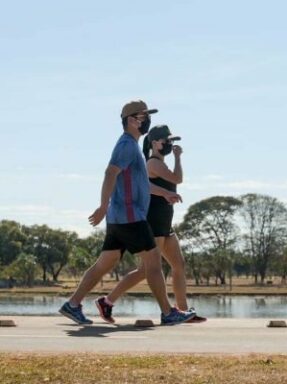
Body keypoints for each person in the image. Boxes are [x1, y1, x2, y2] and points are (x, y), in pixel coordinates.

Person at [59, 100, 195, 326]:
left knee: (104, 263)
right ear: (132, 120)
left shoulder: (132, 147)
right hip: (130, 216)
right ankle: (168, 312)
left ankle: (72, 304)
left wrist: (163, 193)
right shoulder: (127, 146)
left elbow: (140, 183)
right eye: (144, 117)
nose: (147, 121)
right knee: (153, 262)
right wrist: (102, 206)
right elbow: (110, 173)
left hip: (119, 217)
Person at [95, 125, 206, 323]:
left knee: (178, 265)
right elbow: (177, 179)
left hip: (165, 222)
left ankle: (183, 310)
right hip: (153, 222)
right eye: (166, 141)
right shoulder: (153, 163)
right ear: (155, 143)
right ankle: (108, 301)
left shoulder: (158, 163)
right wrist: (179, 158)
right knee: (145, 270)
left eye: (172, 141)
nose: (170, 145)